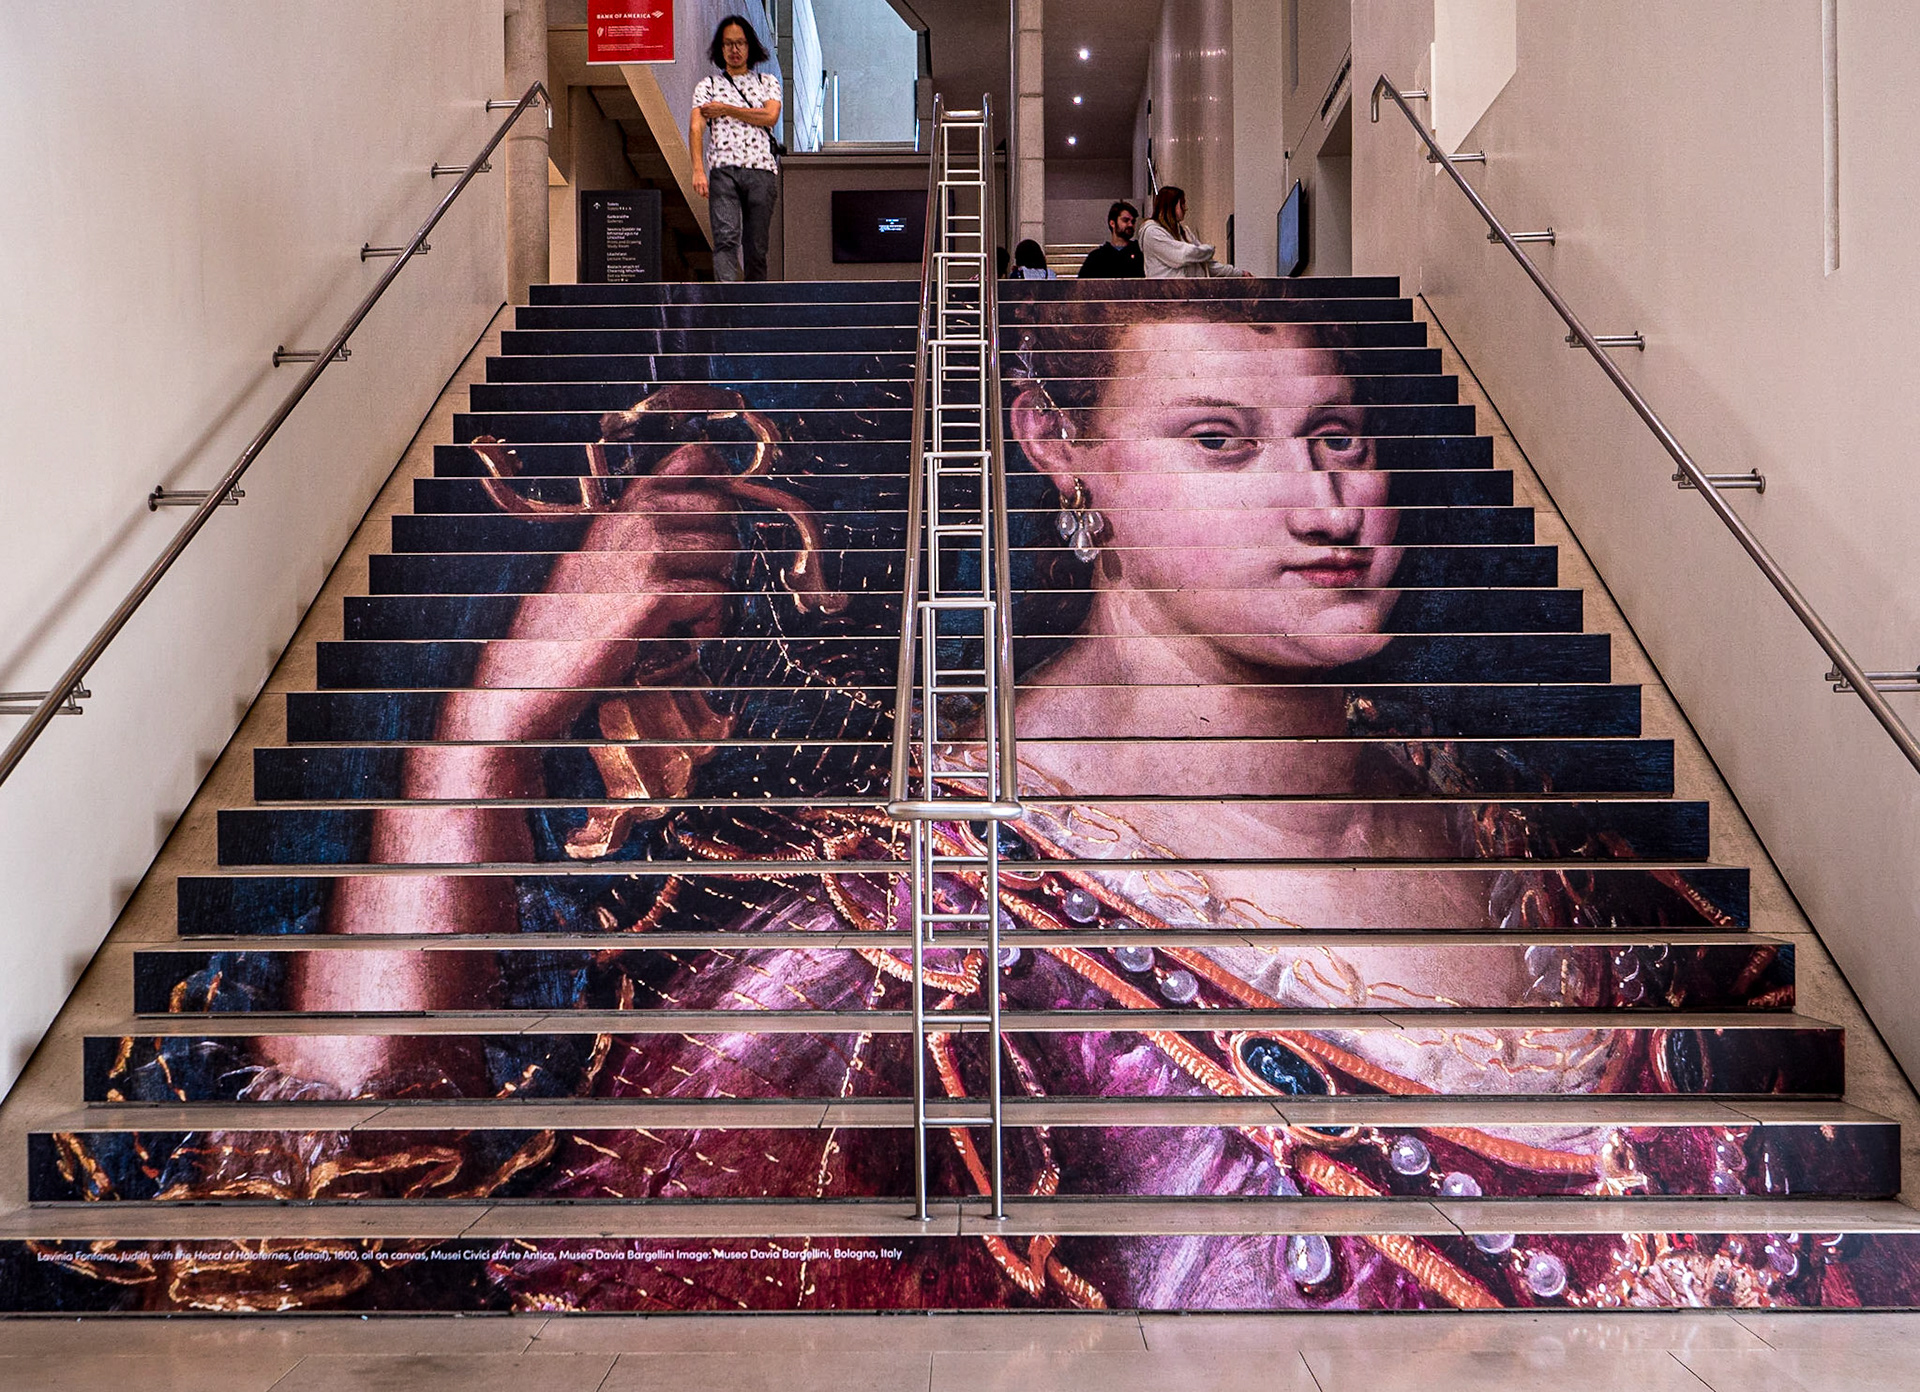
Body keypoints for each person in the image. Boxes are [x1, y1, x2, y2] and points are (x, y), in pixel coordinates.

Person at [97, 302, 1784, 1316]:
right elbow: (288, 1225)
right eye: (1220, 437)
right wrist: (487, 734)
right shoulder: (908, 944)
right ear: (1058, 447)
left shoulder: (1529, 844)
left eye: (1343, 433)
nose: (1325, 499)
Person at [690, 15, 782, 282]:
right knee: (725, 238)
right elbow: (696, 127)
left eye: (740, 43)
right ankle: (727, 305)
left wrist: (725, 109)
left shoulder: (768, 82)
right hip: (723, 170)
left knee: (756, 246)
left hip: (761, 169)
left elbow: (770, 117)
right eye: (728, 44)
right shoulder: (708, 86)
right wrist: (698, 170)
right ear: (720, 48)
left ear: (750, 46)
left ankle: (754, 306)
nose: (735, 50)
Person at [1139, 184, 1248, 278]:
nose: (1185, 208)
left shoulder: (1184, 232)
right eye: (1182, 203)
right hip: (1168, 296)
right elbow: (1184, 255)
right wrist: (1209, 250)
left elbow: (1207, 265)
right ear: (1171, 206)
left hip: (1191, 293)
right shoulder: (1152, 233)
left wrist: (1239, 274)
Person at [1075, 200, 1144, 278]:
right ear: (1112, 223)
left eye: (1133, 221)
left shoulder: (1140, 253)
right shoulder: (1097, 258)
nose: (1130, 225)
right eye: (1125, 220)